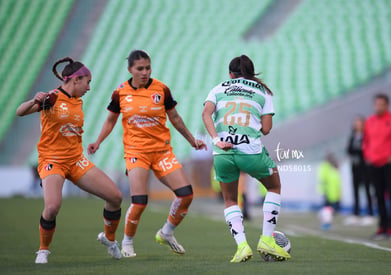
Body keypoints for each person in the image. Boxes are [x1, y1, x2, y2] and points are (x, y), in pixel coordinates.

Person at [88, 50, 206, 257]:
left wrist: (192, 140)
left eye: (147, 68)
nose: (144, 72)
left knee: (186, 194)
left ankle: (166, 233)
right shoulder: (120, 92)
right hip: (136, 152)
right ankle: (127, 243)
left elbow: (175, 118)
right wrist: (98, 142)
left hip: (162, 152)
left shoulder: (161, 89)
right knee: (140, 201)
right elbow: (110, 120)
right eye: (139, 69)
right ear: (130, 70)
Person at [16, 57, 123, 264]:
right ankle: (43, 250)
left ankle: (109, 240)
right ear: (75, 80)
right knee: (53, 207)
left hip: (76, 161)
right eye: (87, 82)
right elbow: (20, 112)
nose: (89, 87)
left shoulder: (77, 101)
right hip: (52, 161)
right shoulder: (52, 99)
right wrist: (34, 100)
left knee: (115, 197)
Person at [202, 54, 291, 263]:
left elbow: (206, 114)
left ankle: (242, 246)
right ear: (252, 73)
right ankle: (267, 239)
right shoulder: (263, 92)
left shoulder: (218, 88)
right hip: (249, 150)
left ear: (230, 74)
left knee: (230, 199)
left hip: (222, 152)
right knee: (274, 186)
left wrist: (216, 139)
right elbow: (267, 129)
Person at [363, 93, 391, 240]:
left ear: (387, 105)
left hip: (389, 164)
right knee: (379, 196)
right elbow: (366, 142)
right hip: (374, 164)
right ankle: (382, 226)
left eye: (381, 104)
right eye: (376, 104)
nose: (378, 107)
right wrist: (367, 155)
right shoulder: (369, 121)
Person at [345, 115, 375, 226]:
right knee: (355, 191)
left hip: (365, 168)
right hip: (355, 167)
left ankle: (370, 214)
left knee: (367, 191)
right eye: (355, 122)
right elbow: (349, 150)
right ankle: (356, 214)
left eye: (359, 122)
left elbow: (367, 150)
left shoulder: (366, 136)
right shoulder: (353, 136)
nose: (356, 125)